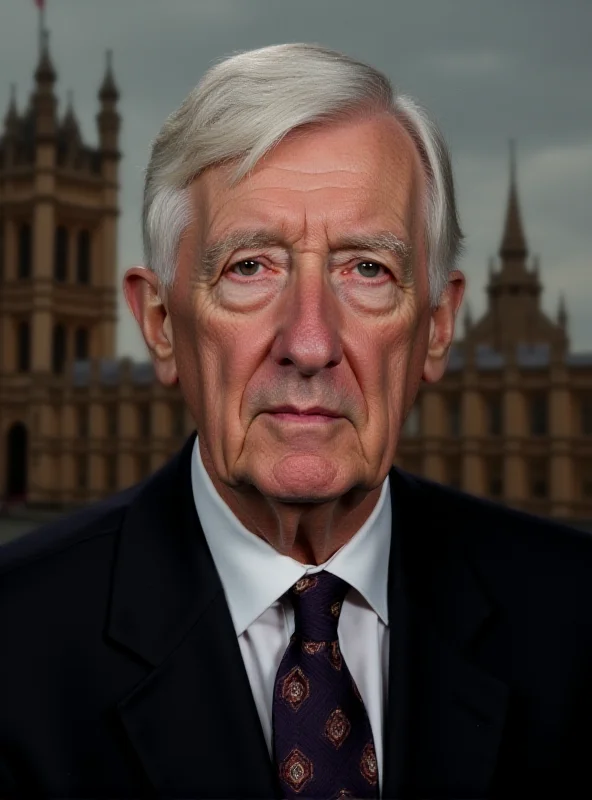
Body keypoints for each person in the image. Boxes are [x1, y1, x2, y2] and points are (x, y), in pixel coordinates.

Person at [1, 43, 591, 800]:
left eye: (367, 269)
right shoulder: (15, 646)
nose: (309, 342)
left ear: (438, 326)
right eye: (249, 267)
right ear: (159, 323)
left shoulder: (575, 620)